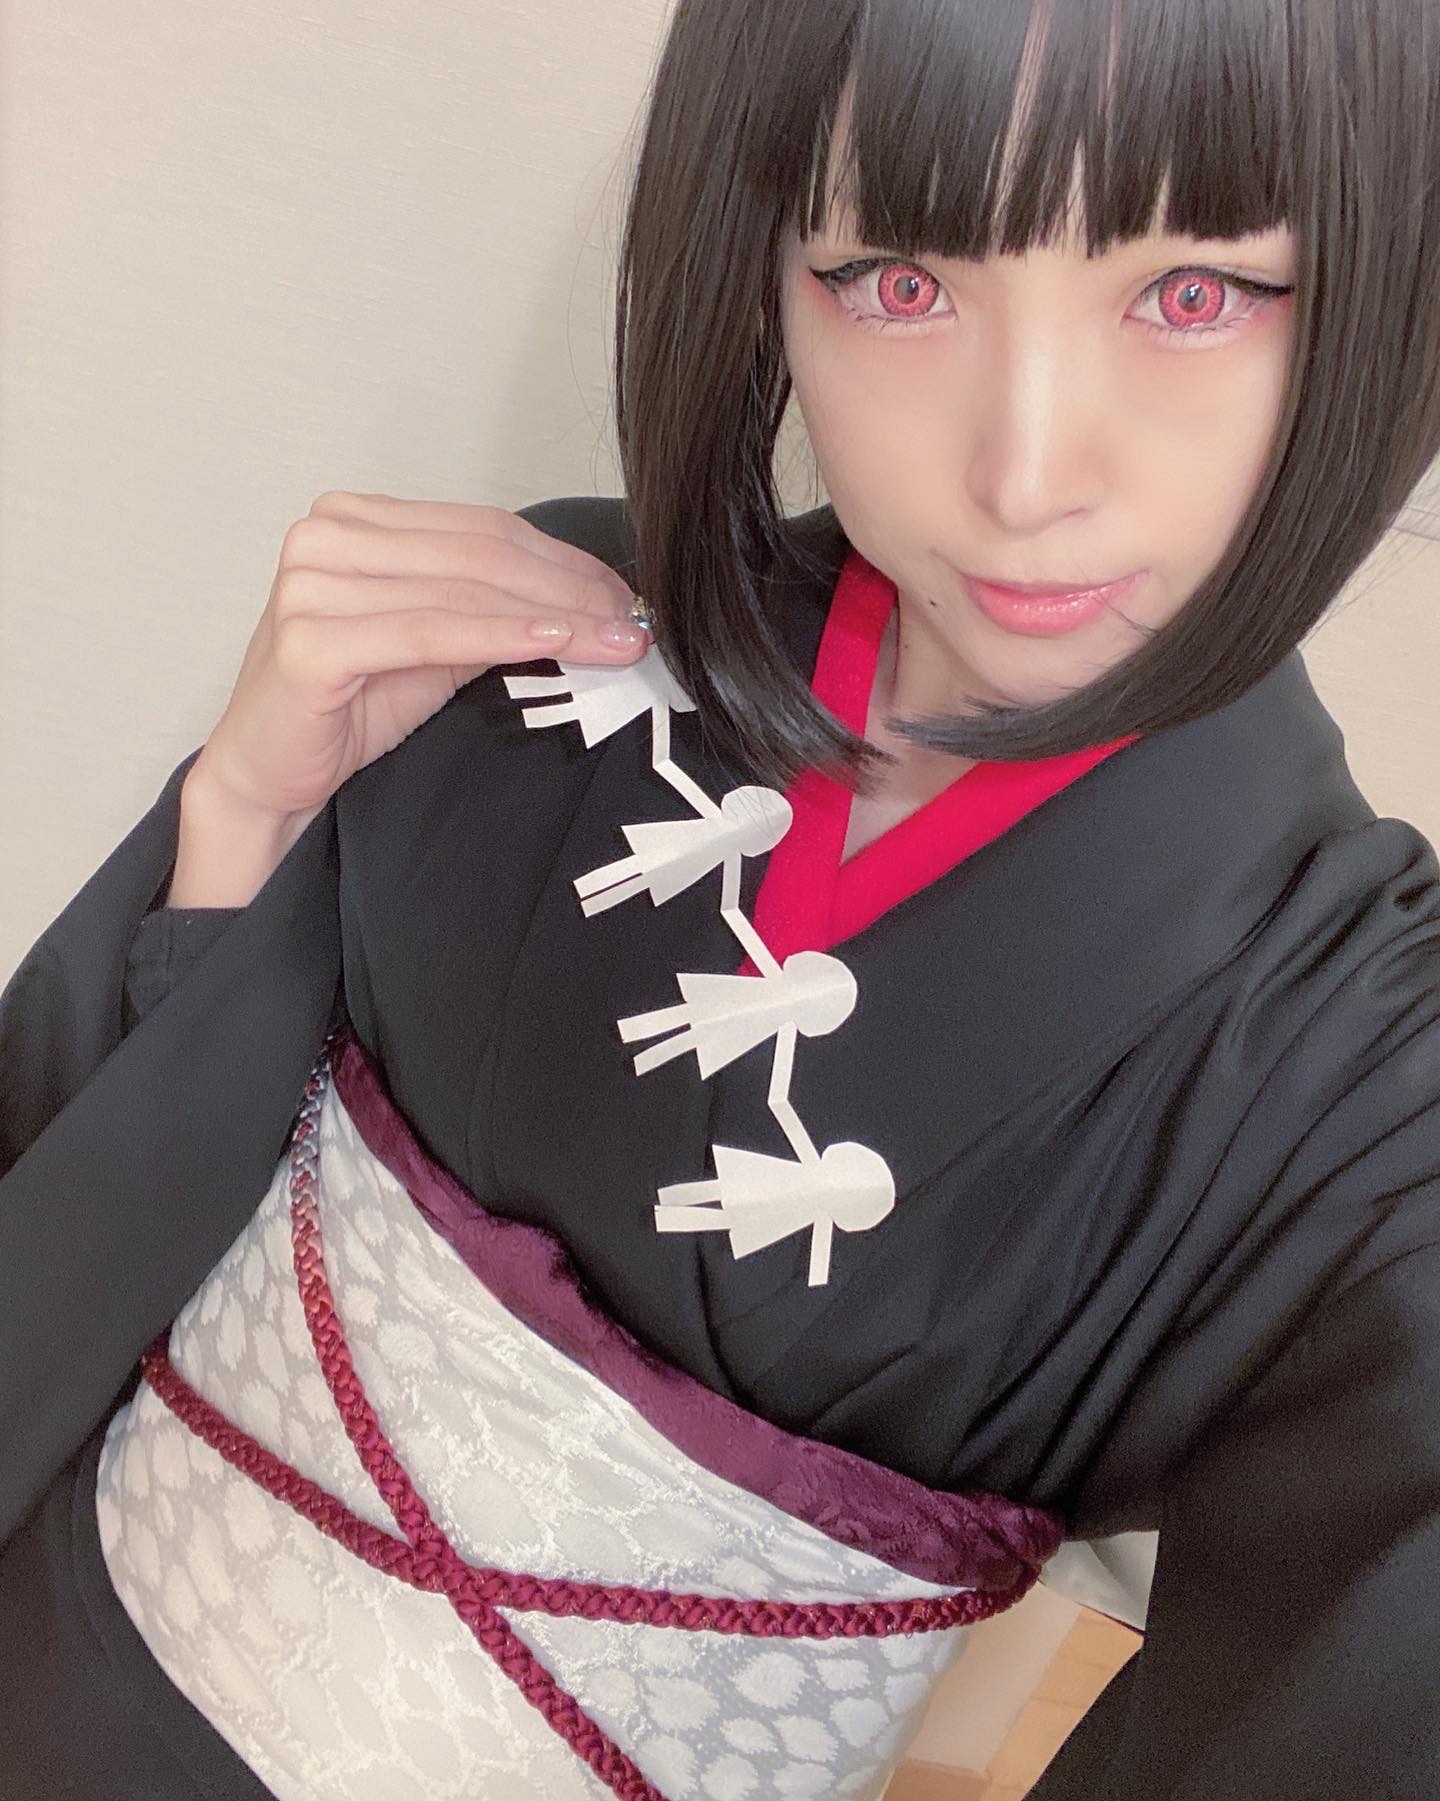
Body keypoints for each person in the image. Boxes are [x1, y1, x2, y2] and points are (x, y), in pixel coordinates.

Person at [2, 0, 1439, 1795]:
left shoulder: (1360, 1072)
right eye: (899, 280)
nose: (1025, 474)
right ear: (762, 263)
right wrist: (245, 811)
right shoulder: (544, 636)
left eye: (1197, 291)